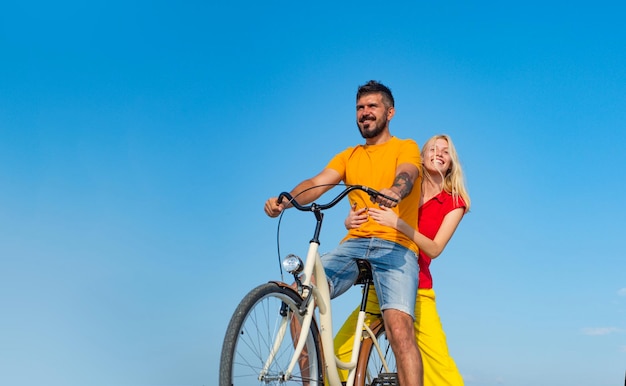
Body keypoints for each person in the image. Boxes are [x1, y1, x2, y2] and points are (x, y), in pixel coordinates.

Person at [264, 80, 424, 386]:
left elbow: (408, 174)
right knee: (300, 296)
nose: (364, 113)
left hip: (396, 246)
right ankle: (314, 380)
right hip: (354, 246)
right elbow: (317, 182)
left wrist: (395, 191)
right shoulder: (349, 156)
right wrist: (286, 201)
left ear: (389, 112)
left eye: (372, 106)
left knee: (399, 327)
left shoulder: (405, 146)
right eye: (360, 108)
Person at [335, 134, 471, 386]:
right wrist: (348, 221)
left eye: (445, 151)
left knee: (443, 373)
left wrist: (398, 224)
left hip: (418, 289)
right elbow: (362, 206)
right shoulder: (403, 185)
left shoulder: (454, 202)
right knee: (338, 356)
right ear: (420, 156)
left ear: (451, 162)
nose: (439, 153)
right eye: (432, 148)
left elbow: (435, 248)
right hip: (380, 281)